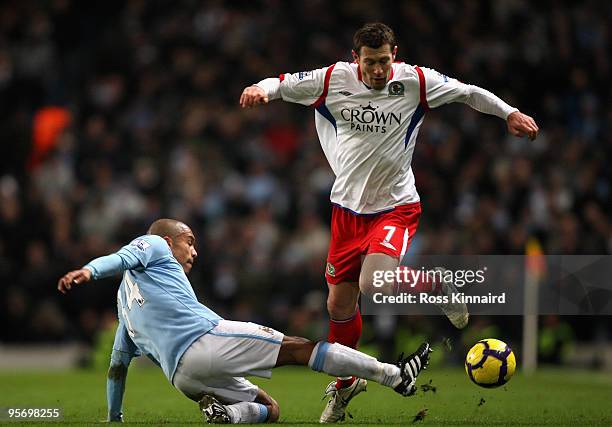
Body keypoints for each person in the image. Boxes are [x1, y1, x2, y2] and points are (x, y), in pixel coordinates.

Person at [240, 22, 539, 422]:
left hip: (395, 206)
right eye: (370, 63)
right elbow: (280, 83)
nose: (378, 70)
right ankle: (347, 386)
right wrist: (260, 90)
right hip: (347, 210)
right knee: (338, 305)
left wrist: (510, 113)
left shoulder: (415, 81)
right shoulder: (332, 80)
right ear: (355, 59)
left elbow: (468, 93)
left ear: (394, 54)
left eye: (384, 61)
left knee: (372, 283)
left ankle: (435, 286)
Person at [57, 219, 432, 424]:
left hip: (183, 379)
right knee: (299, 348)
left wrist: (114, 419)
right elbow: (121, 258)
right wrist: (89, 271)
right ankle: (394, 376)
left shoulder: (125, 310)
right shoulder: (154, 244)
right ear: (170, 240)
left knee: (271, 409)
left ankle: (230, 415)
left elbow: (116, 369)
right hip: (205, 341)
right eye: (189, 242)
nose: (194, 251)